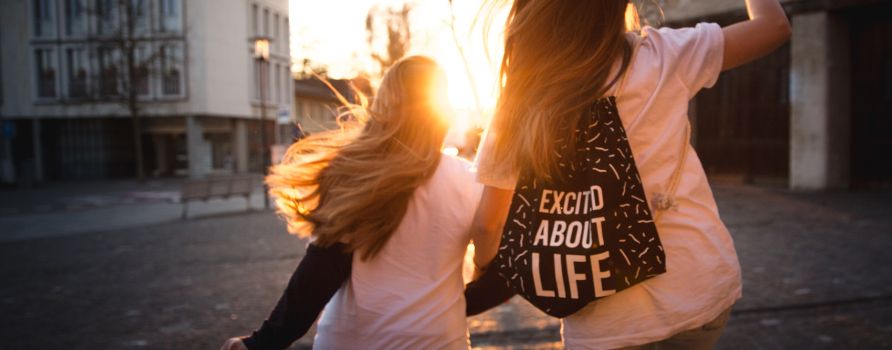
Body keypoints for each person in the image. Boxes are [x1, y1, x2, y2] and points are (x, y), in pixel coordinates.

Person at [466, 0, 792, 349]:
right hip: (696, 291)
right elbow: (774, 27)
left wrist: (486, 273)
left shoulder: (521, 99)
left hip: (605, 321)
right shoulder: (664, 54)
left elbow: (488, 224)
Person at [220, 56, 484, 350]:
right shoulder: (470, 182)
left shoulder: (355, 172)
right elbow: (507, 273)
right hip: (438, 340)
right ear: (442, 111)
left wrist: (262, 343)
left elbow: (322, 270)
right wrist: (448, 306)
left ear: (384, 105)